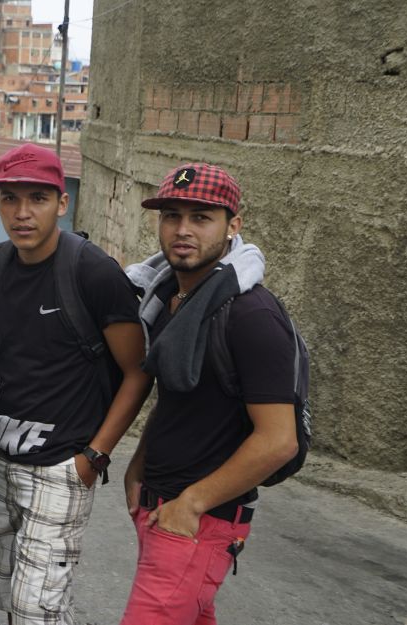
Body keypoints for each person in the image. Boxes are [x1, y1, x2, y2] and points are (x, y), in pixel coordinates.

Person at [0, 143, 152, 625]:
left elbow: (138, 371)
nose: (22, 213)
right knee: (6, 590)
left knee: (40, 606)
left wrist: (94, 456)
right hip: (1, 459)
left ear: (62, 202)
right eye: (10, 199)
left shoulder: (92, 272)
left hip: (62, 464)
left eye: (38, 198)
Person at [119, 163, 299, 625]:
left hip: (200, 519)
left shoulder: (251, 314)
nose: (182, 230)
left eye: (201, 217)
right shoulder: (167, 300)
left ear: (233, 226)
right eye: (171, 215)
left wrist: (192, 504)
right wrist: (138, 465)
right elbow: (180, 398)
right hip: (163, 510)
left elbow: (279, 440)